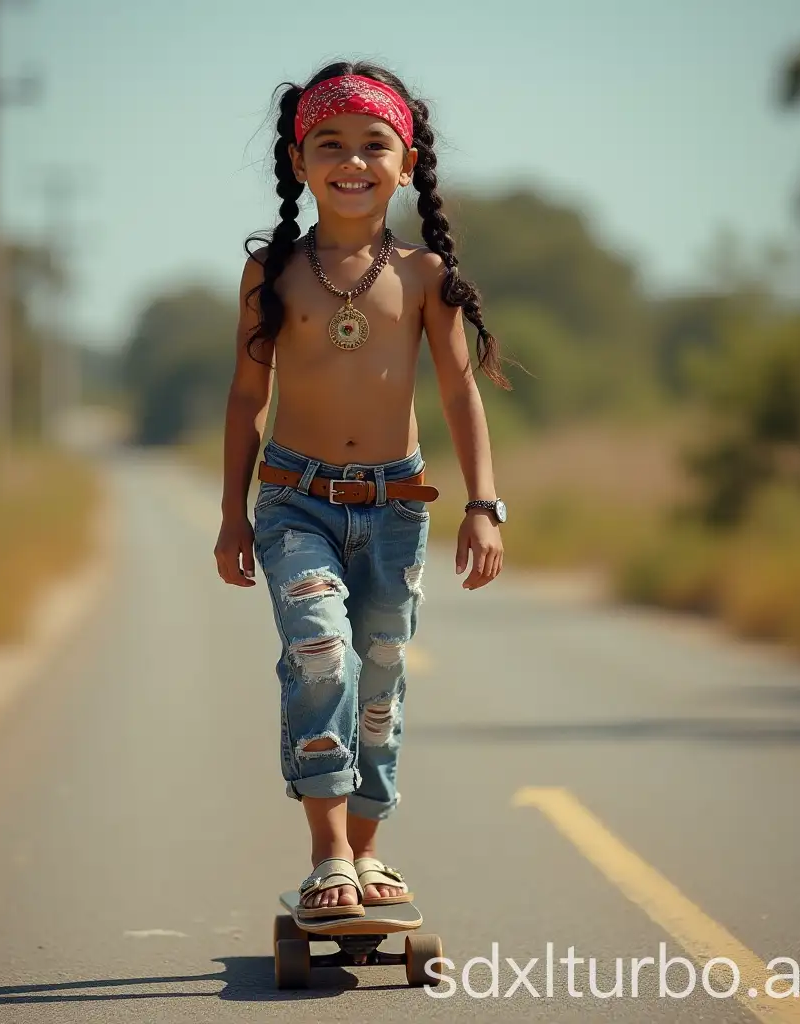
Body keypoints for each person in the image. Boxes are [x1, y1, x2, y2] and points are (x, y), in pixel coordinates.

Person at [214, 60, 512, 921]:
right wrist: (231, 514)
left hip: (394, 507)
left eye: (374, 144)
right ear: (300, 161)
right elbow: (246, 397)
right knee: (319, 652)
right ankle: (328, 853)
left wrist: (483, 506)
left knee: (380, 676)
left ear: (406, 161)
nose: (353, 161)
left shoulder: (423, 277)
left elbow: (459, 393)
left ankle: (372, 854)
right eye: (329, 144)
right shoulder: (270, 272)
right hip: (294, 500)